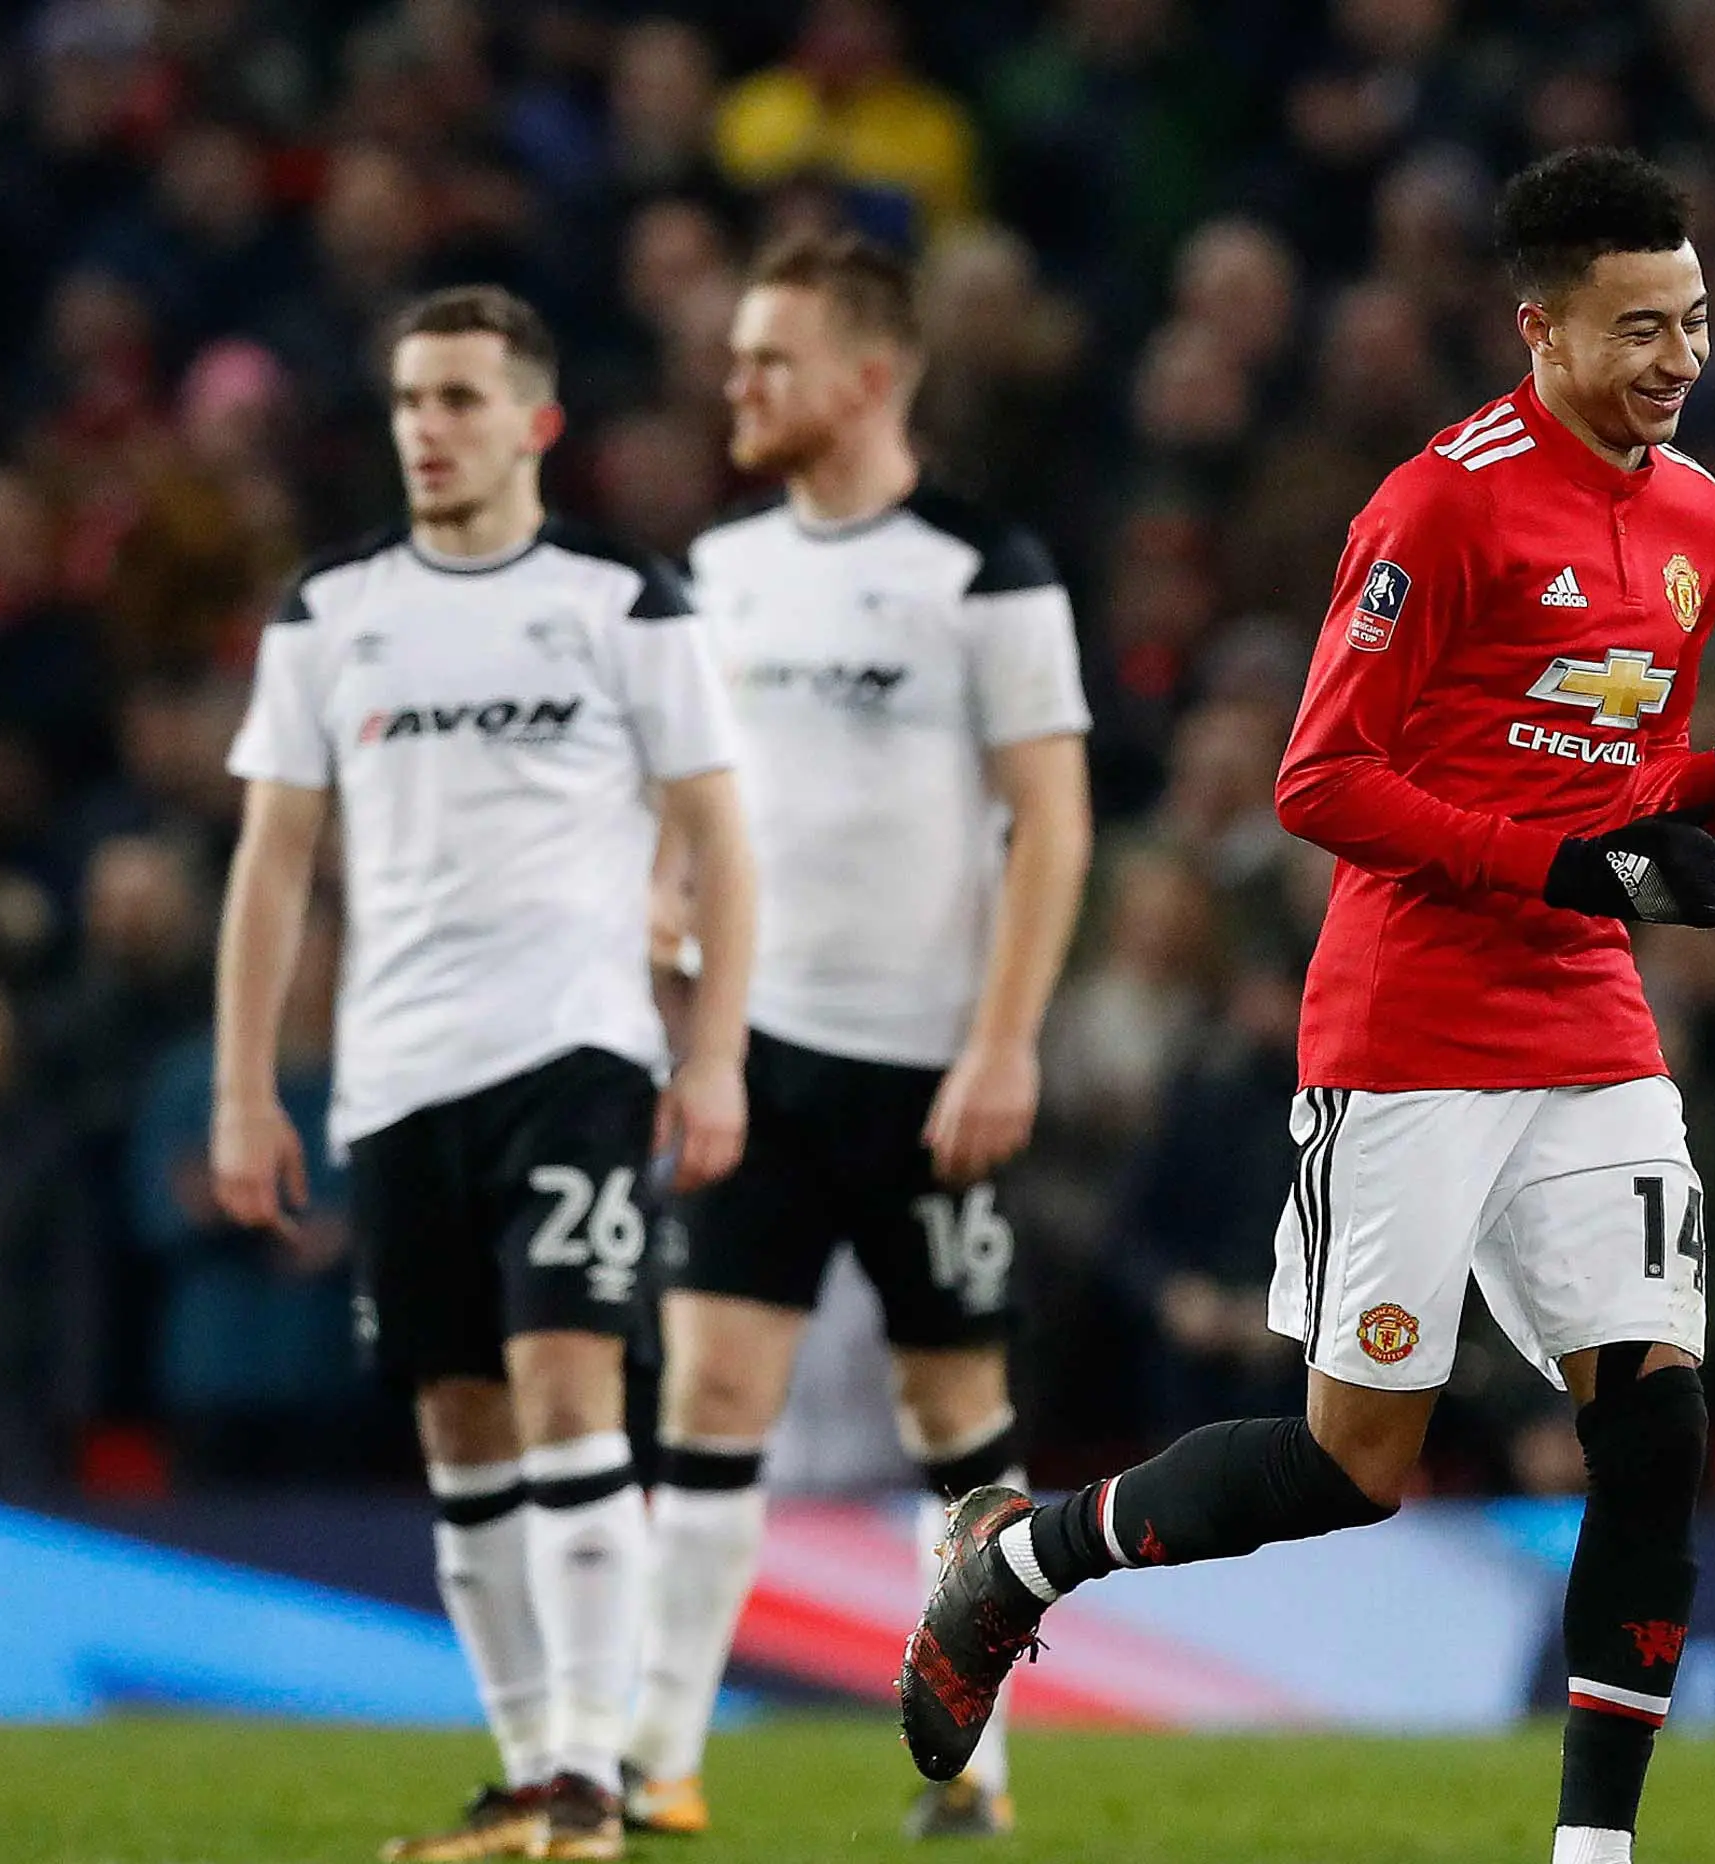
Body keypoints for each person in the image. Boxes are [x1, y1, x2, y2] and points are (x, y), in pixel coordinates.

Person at [894, 148, 1715, 1864]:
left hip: (1590, 1032)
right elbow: (1317, 780)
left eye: (1694, 321)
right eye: (1638, 329)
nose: (1679, 358)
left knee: (1658, 1423)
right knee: (1351, 1466)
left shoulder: (1699, 514)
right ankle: (1014, 1565)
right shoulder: (1435, 504)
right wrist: (1550, 868)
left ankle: (1592, 1853)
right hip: (1409, 1034)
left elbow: (1610, 777)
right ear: (1538, 329)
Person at [210, 286, 755, 1864]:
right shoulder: (331, 613)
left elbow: (721, 831)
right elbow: (273, 862)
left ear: (535, 422)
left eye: (458, 399)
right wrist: (254, 1088)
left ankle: (593, 1775)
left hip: (573, 1051)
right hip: (394, 1079)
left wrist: (709, 1053)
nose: (427, 431)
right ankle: (530, 1774)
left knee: (569, 1385)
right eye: (406, 402)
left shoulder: (619, 600)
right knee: (458, 1427)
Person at [623, 231, 1095, 1842]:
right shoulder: (720, 568)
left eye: (770, 358)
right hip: (758, 1055)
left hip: (928, 1065)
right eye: (737, 357)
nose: (737, 383)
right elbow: (693, 799)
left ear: (871, 376)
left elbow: (1053, 820)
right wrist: (666, 900)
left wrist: (1006, 1042)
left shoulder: (987, 566)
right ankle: (658, 1767)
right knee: (707, 1403)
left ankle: (977, 1780)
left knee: (953, 1419)